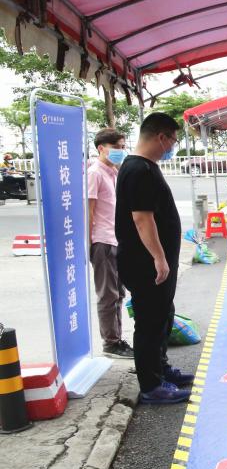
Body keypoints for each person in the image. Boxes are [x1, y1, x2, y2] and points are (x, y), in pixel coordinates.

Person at [115, 112, 193, 404]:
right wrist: (159, 258)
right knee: (149, 323)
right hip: (144, 263)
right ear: (161, 137)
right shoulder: (139, 170)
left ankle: (161, 368)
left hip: (154, 263)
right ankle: (151, 385)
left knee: (162, 316)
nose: (173, 146)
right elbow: (142, 219)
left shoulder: (144, 166)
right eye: (173, 140)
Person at [88, 128, 133, 359]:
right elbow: (89, 211)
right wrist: (89, 244)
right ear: (101, 148)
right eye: (116, 147)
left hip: (115, 239)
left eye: (123, 147)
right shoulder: (94, 173)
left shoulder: (113, 172)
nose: (120, 151)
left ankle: (116, 339)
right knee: (108, 295)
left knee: (118, 294)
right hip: (102, 241)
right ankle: (111, 343)